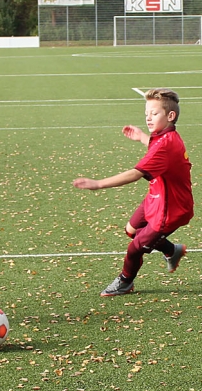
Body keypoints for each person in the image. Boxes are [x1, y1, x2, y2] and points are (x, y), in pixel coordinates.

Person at [73, 88, 192, 297]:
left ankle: (125, 281)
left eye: (154, 113)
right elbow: (156, 147)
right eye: (146, 114)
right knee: (131, 230)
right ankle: (171, 250)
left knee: (134, 248)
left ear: (170, 116)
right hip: (156, 197)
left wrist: (98, 184)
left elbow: (136, 174)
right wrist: (142, 137)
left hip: (170, 209)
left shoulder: (166, 144)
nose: (148, 118)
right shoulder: (163, 135)